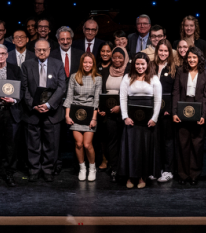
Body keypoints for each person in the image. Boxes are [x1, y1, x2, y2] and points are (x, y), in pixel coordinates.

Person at [22, 39, 67, 181]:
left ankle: (48, 169)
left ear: (49, 49)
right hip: (32, 112)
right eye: (38, 50)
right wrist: (33, 105)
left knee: (51, 143)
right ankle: (34, 169)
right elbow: (24, 88)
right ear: (34, 50)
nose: (41, 52)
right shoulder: (26, 65)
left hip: (52, 112)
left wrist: (48, 105)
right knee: (33, 144)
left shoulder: (58, 64)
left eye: (44, 49)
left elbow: (62, 88)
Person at [119, 52, 161, 188]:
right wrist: (125, 116)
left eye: (142, 64)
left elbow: (158, 100)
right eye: (137, 64)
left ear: (147, 64)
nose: (140, 66)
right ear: (133, 64)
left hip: (148, 121)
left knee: (145, 149)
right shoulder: (127, 77)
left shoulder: (154, 78)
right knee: (132, 149)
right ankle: (131, 177)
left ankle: (142, 177)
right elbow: (123, 98)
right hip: (131, 120)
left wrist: (154, 118)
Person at [172, 46, 206, 185]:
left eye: (194, 57)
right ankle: (183, 175)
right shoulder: (180, 71)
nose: (192, 60)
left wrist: (203, 115)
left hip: (198, 107)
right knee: (183, 144)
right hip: (183, 107)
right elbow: (176, 92)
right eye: (189, 57)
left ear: (199, 58)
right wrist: (174, 112)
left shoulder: (205, 73)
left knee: (197, 144)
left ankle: (194, 174)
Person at [0, 44, 23, 187]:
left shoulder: (16, 70)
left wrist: (13, 99)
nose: (1, 56)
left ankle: (9, 173)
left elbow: (22, 89)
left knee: (11, 144)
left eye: (3, 53)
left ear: (7, 55)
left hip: (11, 110)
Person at [64, 51, 100, 181]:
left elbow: (96, 100)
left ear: (93, 64)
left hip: (90, 114)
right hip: (75, 114)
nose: (87, 64)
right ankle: (82, 168)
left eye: (90, 62)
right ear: (81, 63)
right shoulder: (74, 77)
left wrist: (94, 118)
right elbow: (69, 97)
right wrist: (67, 115)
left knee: (87, 144)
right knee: (78, 144)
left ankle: (92, 167)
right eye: (85, 62)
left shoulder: (97, 78)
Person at [97, 46, 128, 180]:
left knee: (123, 141)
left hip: (123, 113)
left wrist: (121, 107)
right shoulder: (105, 71)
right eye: (114, 57)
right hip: (108, 114)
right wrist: (101, 108)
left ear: (124, 58)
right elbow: (100, 91)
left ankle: (124, 168)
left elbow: (130, 93)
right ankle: (114, 168)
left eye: (120, 57)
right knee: (112, 142)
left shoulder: (128, 73)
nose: (116, 60)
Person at [152, 40, 178, 182]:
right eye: (160, 50)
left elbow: (175, 91)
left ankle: (168, 170)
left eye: (166, 51)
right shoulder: (151, 66)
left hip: (167, 110)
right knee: (156, 140)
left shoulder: (174, 68)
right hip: (153, 109)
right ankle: (157, 169)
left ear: (170, 52)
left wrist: (170, 109)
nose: (163, 53)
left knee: (168, 140)